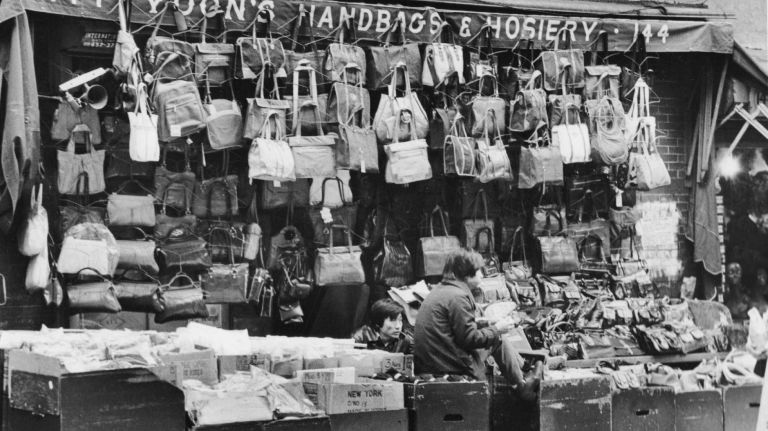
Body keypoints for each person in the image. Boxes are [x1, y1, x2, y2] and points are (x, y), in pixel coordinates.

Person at [414, 249, 540, 399]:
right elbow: (469, 339)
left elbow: (454, 326)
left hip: (436, 359)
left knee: (494, 333)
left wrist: (487, 322)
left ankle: (524, 373)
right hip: (449, 364)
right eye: (479, 270)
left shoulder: (442, 291)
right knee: (497, 339)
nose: (482, 274)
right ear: (467, 273)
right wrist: (496, 329)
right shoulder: (458, 297)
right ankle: (521, 385)